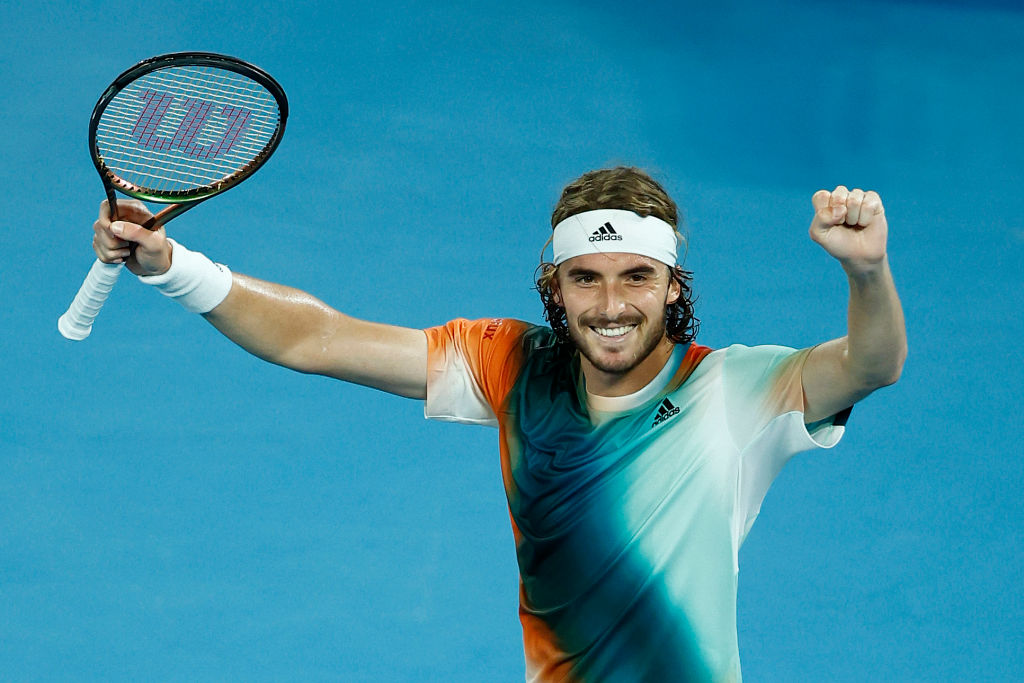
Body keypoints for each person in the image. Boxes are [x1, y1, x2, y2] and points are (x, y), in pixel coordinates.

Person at [91, 167, 906, 682]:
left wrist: (866, 271)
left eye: (637, 277)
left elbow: (871, 364)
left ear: (670, 285)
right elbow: (318, 337)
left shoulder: (738, 387)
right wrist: (174, 268)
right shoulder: (512, 364)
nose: (612, 305)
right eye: (586, 278)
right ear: (556, 286)